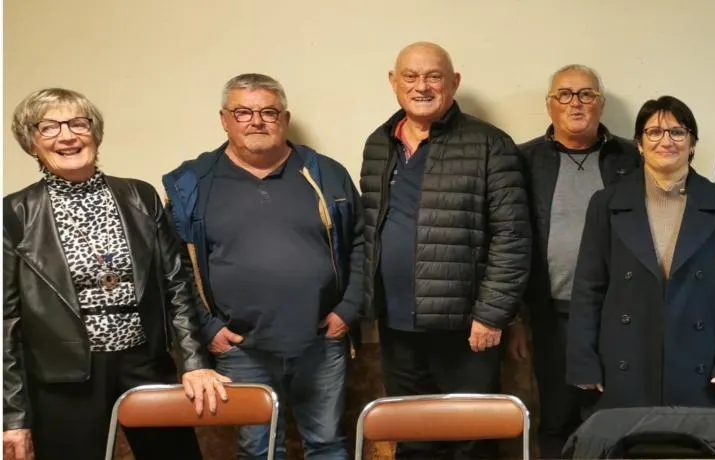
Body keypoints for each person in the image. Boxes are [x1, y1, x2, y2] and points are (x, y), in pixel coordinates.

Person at [3, 88, 229, 460]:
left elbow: (176, 285)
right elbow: (6, 320)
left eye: (78, 123)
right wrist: (12, 416)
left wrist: (194, 363)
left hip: (145, 363)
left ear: (96, 133)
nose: (67, 136)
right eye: (49, 127)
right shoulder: (14, 214)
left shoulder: (140, 196)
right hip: (63, 378)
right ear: (31, 143)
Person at [162, 73, 362, 460]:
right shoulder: (191, 182)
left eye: (268, 112)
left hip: (321, 341)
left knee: (327, 443)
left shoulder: (326, 173)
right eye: (243, 112)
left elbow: (360, 243)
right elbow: (177, 267)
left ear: (284, 119)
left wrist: (348, 311)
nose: (256, 121)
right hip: (241, 349)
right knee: (258, 450)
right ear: (224, 119)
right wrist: (209, 328)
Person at [358, 41, 530, 459]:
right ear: (393, 82)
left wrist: (491, 315)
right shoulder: (379, 143)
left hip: (466, 331)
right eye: (411, 76)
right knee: (412, 439)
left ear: (454, 82)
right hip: (396, 326)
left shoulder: (490, 143)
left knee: (471, 442)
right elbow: (369, 230)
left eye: (434, 76)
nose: (422, 86)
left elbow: (512, 236)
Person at [566, 95, 715, 411]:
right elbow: (588, 287)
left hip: (702, 358)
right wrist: (583, 361)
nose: (666, 141)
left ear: (692, 143)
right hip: (625, 355)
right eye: (654, 132)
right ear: (639, 144)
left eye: (677, 132)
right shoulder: (606, 203)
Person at [510, 64, 640, 457]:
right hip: (552, 315)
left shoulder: (633, 158)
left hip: (621, 314)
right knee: (557, 418)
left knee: (616, 420)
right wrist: (514, 318)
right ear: (549, 105)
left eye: (586, 94)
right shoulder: (523, 160)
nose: (576, 103)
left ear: (601, 103)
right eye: (564, 94)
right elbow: (508, 238)